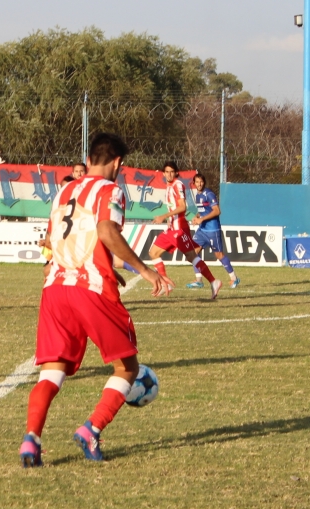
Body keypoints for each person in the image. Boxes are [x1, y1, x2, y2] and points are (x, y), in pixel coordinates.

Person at [19, 132, 173, 466]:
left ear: (88, 159)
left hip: (55, 289)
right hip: (91, 289)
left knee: (52, 370)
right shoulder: (110, 189)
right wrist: (145, 271)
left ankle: (31, 440)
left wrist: (101, 265)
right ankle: (91, 429)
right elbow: (106, 231)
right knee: (127, 366)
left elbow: (55, 237)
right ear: (118, 163)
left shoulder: (64, 190)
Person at [148, 162, 222, 299]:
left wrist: (164, 216)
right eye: (167, 172)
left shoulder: (177, 185)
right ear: (163, 173)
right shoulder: (169, 186)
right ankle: (166, 283)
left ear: (176, 172)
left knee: (191, 256)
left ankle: (213, 281)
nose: (169, 174)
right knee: (153, 253)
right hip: (171, 229)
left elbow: (183, 207)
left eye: (172, 172)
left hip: (179, 230)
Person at [186, 173, 240, 289]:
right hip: (202, 230)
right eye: (197, 182)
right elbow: (203, 210)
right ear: (194, 183)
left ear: (204, 182)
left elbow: (217, 211)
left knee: (219, 255)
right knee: (192, 252)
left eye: (201, 182)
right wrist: (197, 217)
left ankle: (234, 278)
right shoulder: (198, 196)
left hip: (212, 230)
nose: (199, 184)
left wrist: (202, 219)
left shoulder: (209, 194)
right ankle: (199, 280)